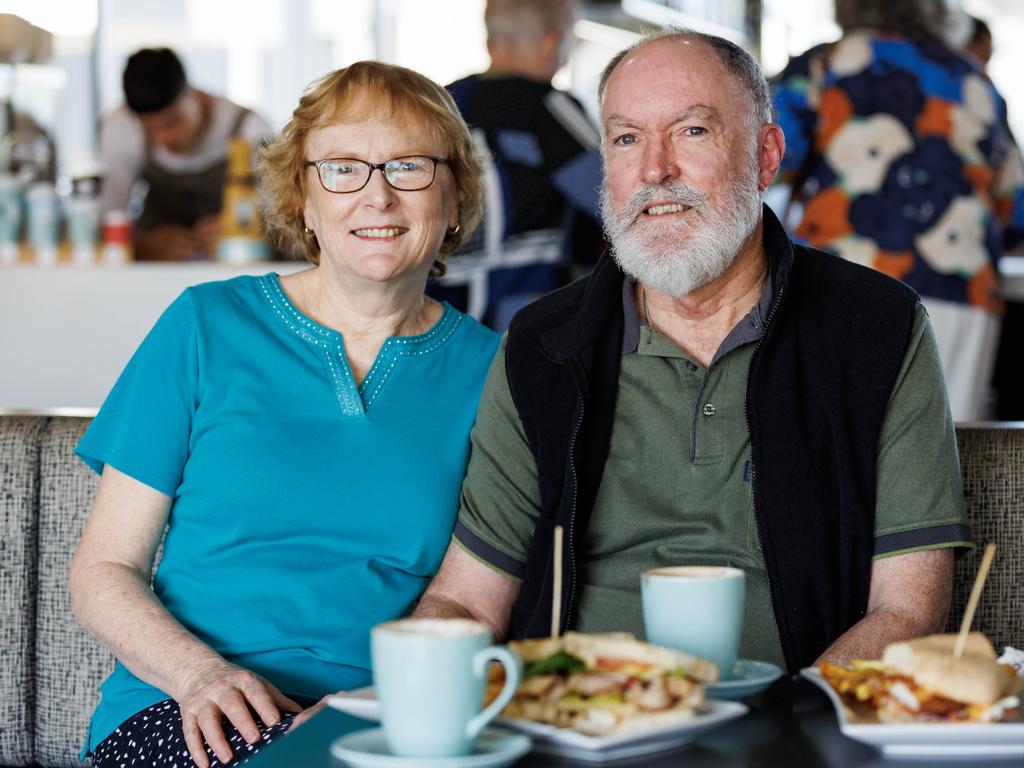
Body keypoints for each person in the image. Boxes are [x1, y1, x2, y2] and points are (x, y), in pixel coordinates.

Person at [413, 29, 973, 675]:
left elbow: (907, 611)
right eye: (627, 139)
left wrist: (792, 729)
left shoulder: (875, 327)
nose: (655, 171)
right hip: (578, 721)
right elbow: (468, 601)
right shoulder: (543, 346)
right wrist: (400, 699)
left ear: (766, 155)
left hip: (797, 722)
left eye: (692, 132)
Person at [70, 61, 499, 768]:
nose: (378, 195)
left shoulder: (496, 376)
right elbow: (103, 570)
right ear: (303, 197)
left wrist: (372, 706)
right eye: (342, 168)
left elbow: (474, 601)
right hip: (182, 710)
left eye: (410, 167)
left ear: (455, 198)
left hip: (382, 720)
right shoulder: (205, 327)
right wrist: (199, 675)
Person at [772, 0, 1024, 421]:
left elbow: (766, 159)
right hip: (961, 286)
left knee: (833, 450)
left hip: (842, 280)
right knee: (945, 456)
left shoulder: (826, 65)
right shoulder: (974, 80)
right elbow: (1014, 209)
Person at [429, 0, 604, 329]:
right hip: (527, 312)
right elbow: (616, 197)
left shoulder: (439, 105)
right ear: (552, 41)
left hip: (441, 313)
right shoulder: (550, 108)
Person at [98, 48, 274, 261]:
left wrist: (243, 234)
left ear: (195, 96)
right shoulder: (121, 127)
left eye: (172, 123)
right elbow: (110, 217)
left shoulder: (249, 128)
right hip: (155, 272)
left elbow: (284, 218)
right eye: (149, 129)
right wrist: (142, 246)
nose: (162, 138)